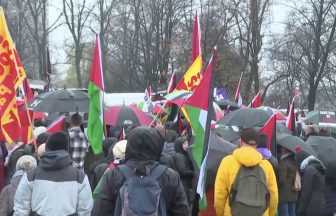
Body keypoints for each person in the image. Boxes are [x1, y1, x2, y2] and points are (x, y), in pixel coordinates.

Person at [92, 126, 190, 216]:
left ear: (129, 145)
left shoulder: (114, 174)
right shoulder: (170, 176)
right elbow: (182, 212)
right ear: (156, 145)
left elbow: (100, 211)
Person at [13, 132, 93, 216]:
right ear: (67, 150)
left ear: (47, 148)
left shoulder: (31, 175)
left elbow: (21, 209)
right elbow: (85, 210)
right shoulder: (79, 176)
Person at [214, 128, 278, 216]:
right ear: (256, 144)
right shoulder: (266, 166)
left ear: (241, 142)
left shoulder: (227, 162)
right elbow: (274, 197)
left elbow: (219, 197)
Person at [295, 147, 325, 216]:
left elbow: (305, 193)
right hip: (321, 205)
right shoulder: (318, 167)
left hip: (312, 207)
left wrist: (299, 211)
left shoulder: (309, 170)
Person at [278, 146, 299, 216]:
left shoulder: (283, 162)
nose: (281, 149)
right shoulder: (295, 161)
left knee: (284, 213)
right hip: (294, 191)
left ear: (285, 150)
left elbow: (281, 179)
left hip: (284, 193)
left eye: (282, 148)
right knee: (292, 213)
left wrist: (277, 186)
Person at [173, 136, 194, 204]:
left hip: (186, 183)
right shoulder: (179, 156)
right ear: (179, 145)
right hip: (183, 183)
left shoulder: (185, 154)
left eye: (187, 143)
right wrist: (194, 173)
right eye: (184, 144)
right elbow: (183, 171)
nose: (187, 145)